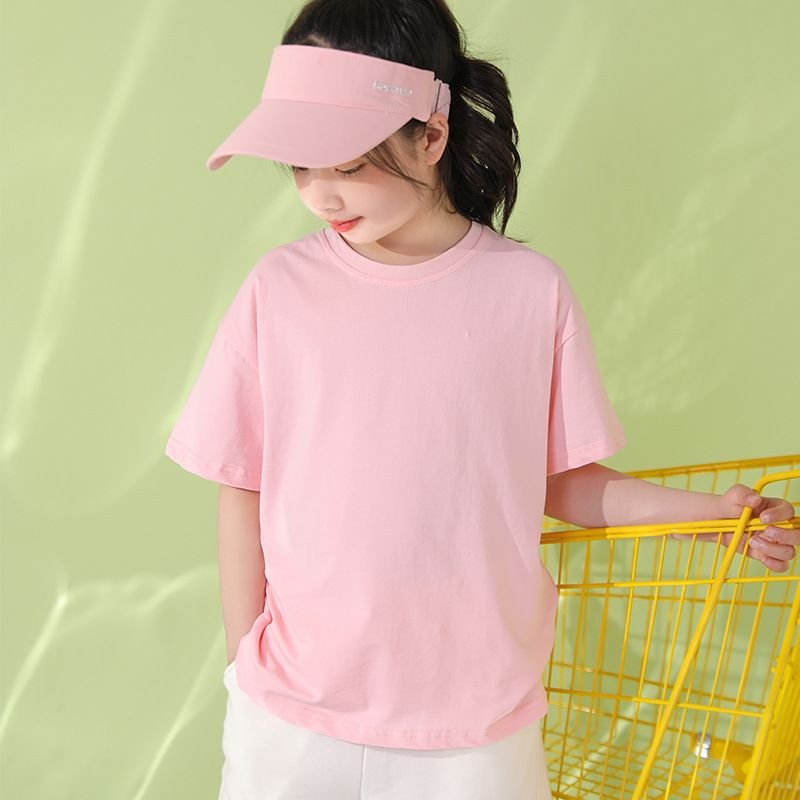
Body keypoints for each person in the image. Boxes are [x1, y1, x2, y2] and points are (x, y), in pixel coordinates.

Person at [164, 1, 798, 798]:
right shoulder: (278, 291)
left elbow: (560, 482)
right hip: (292, 717)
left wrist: (713, 517)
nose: (321, 195)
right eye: (299, 166)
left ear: (431, 137)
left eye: (347, 165)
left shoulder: (529, 294)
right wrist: (243, 662)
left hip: (478, 732)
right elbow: (241, 483)